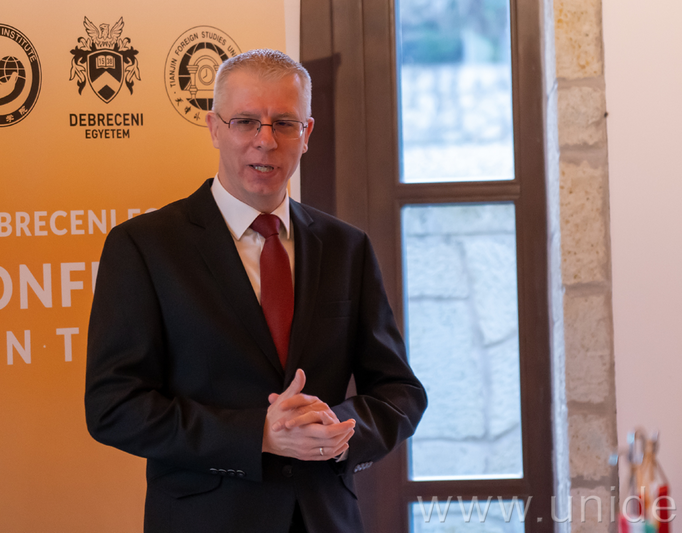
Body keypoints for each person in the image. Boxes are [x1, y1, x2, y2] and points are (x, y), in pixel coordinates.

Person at [84, 49, 427, 533]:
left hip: (325, 519)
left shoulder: (346, 246)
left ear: (306, 134)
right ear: (214, 128)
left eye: (284, 123)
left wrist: (340, 431)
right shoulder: (144, 246)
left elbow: (400, 393)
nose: (265, 141)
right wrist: (257, 435)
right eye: (246, 121)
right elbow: (113, 407)